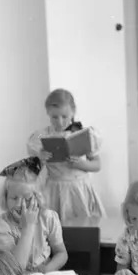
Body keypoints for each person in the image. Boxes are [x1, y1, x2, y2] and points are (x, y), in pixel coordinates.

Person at [27, 88, 104, 221]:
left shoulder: (83, 134)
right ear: (48, 113)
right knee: (55, 226)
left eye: (64, 116)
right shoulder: (41, 135)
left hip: (79, 189)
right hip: (54, 189)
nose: (60, 122)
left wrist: (81, 164)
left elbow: (97, 165)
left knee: (83, 225)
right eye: (54, 117)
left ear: (73, 112)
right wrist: (40, 157)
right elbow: (33, 169)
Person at [0, 156, 68, 273]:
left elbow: (61, 253)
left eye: (27, 199)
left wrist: (46, 270)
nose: (19, 205)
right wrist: (28, 227)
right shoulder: (1, 226)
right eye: (14, 198)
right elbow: (16, 267)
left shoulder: (49, 218)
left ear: (38, 198)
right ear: (5, 198)